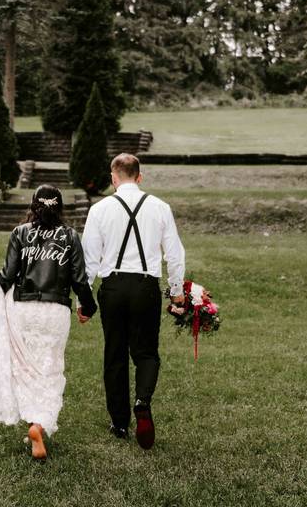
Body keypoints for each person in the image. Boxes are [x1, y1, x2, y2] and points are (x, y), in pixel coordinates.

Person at [0, 184, 98, 461]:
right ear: (59, 207)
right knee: (50, 368)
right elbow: (79, 279)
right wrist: (88, 306)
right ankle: (38, 425)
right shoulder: (70, 236)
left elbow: (8, 274)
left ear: (34, 206)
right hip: (55, 312)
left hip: (24, 309)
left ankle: (33, 426)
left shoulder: (20, 233)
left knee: (27, 369)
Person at [81, 153, 185, 450]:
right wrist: (176, 291)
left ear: (113, 178)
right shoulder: (160, 207)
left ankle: (118, 423)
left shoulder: (99, 210)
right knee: (146, 352)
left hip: (112, 287)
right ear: (140, 177)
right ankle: (142, 400)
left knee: (114, 354)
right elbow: (175, 254)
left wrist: (84, 301)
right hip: (145, 287)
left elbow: (90, 260)